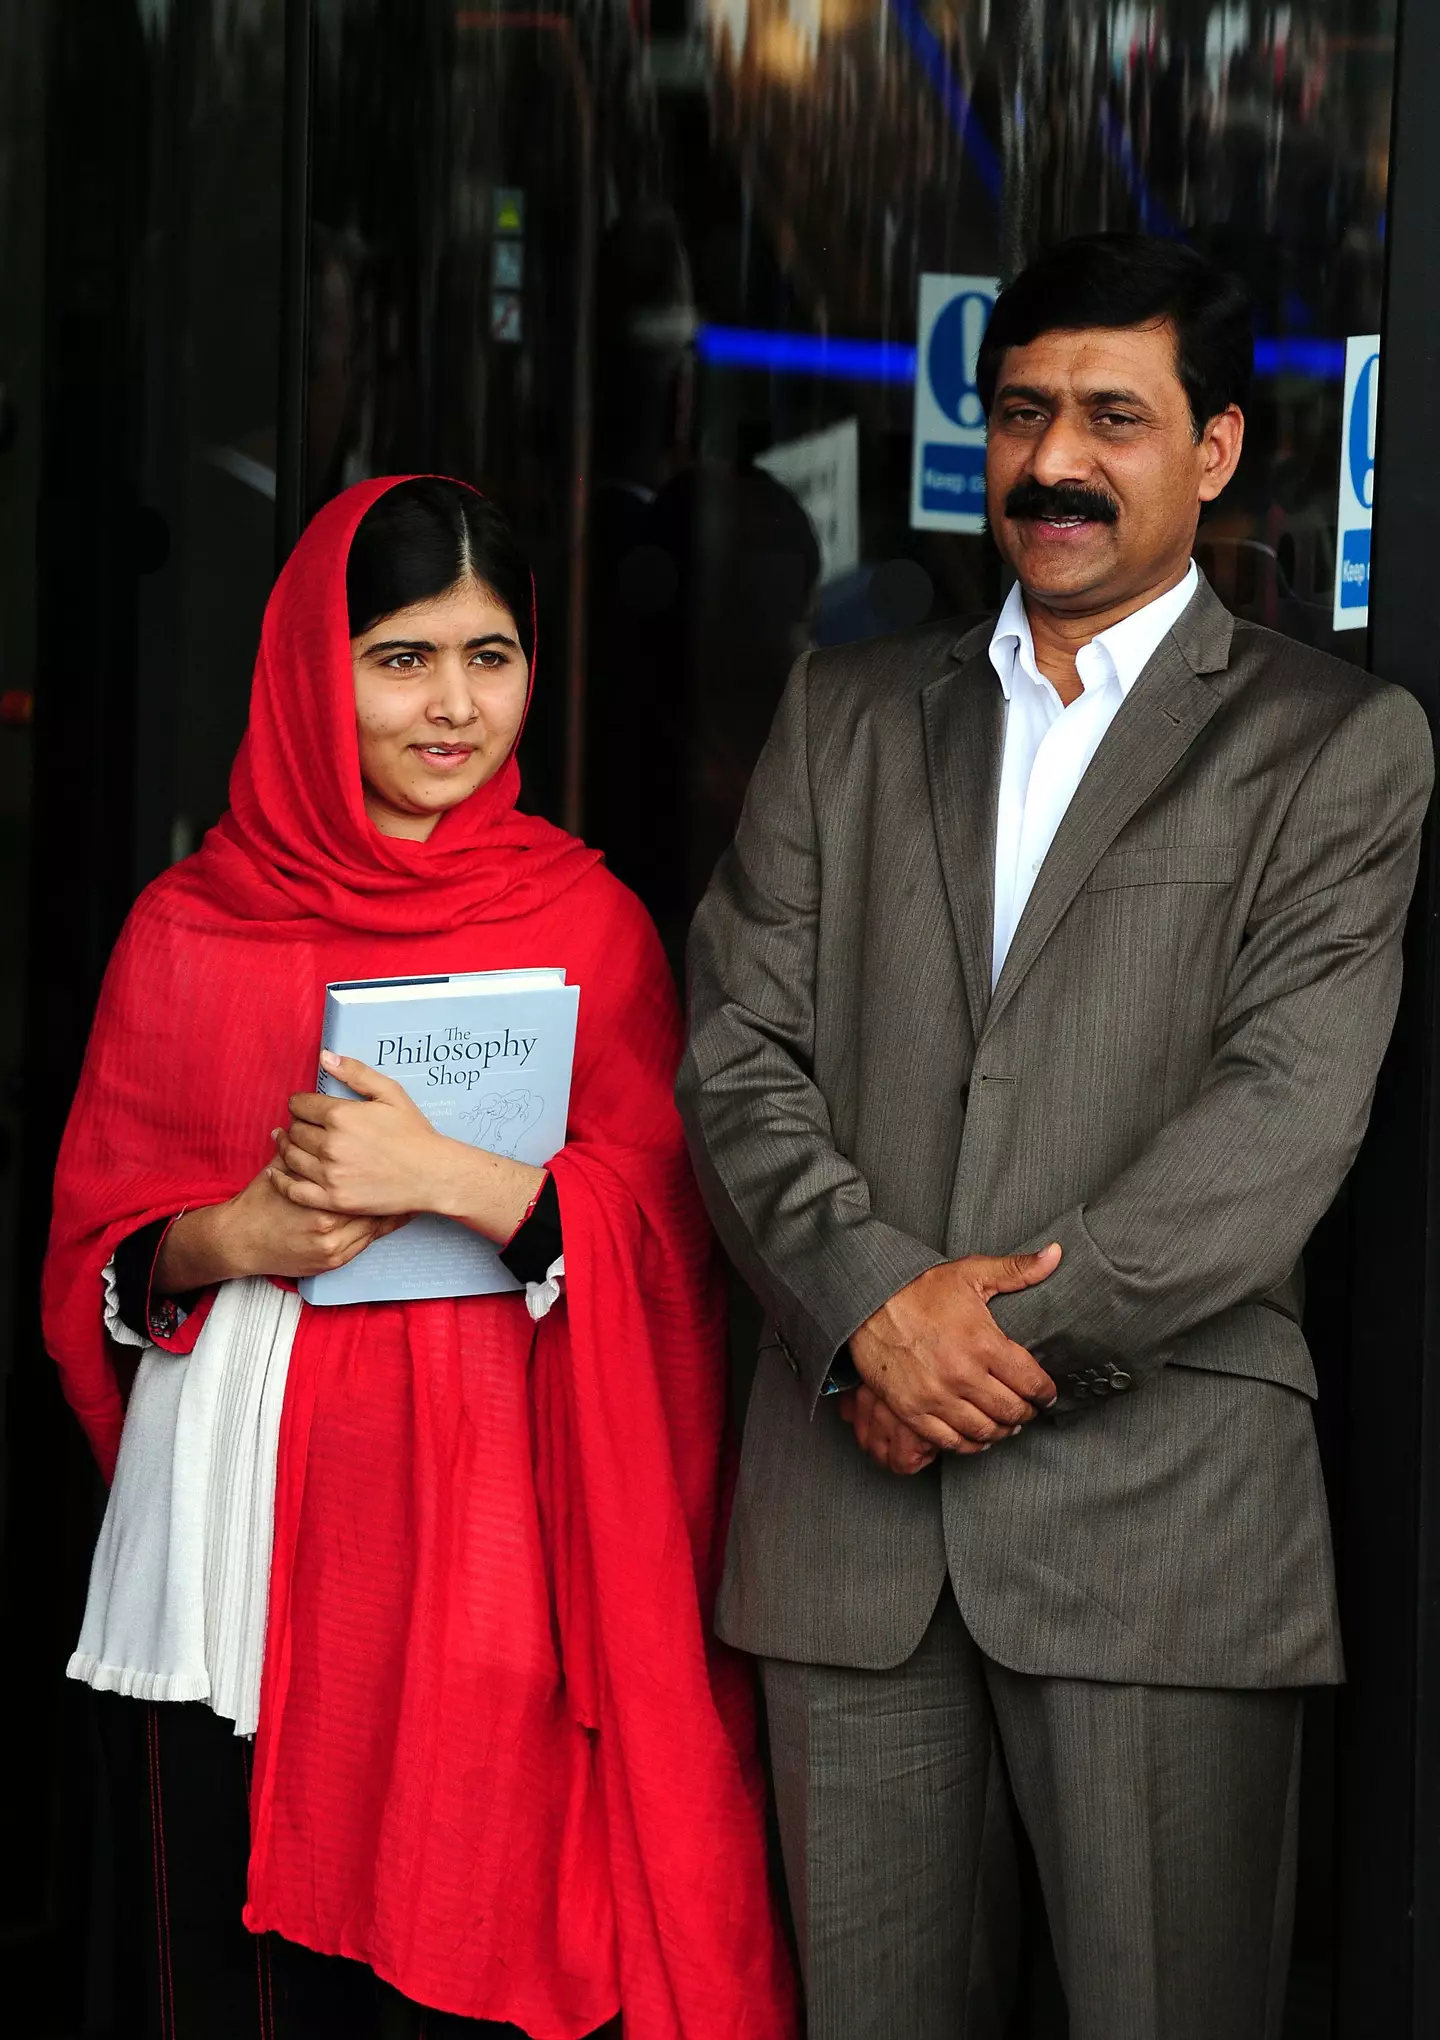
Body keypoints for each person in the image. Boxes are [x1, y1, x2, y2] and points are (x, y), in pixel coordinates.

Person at [676, 233, 1434, 2040]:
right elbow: (735, 1050)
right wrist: (871, 1308)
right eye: (1024, 414)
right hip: (852, 1533)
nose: (1057, 463)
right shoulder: (844, 713)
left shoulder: (1336, 747)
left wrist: (965, 1346)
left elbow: (1278, 1126)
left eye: (1112, 415)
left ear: (1221, 448)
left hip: (1161, 1528)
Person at [44, 476, 797, 2040]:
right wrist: (226, 1234)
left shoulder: (584, 929)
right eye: (402, 656)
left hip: (484, 1568)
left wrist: (465, 1182)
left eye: (491, 653)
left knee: (463, 1948)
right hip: (223, 1565)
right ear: (315, 669)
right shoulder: (188, 929)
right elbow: (93, 1251)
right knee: (229, 1974)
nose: (455, 705)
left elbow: (672, 1255)